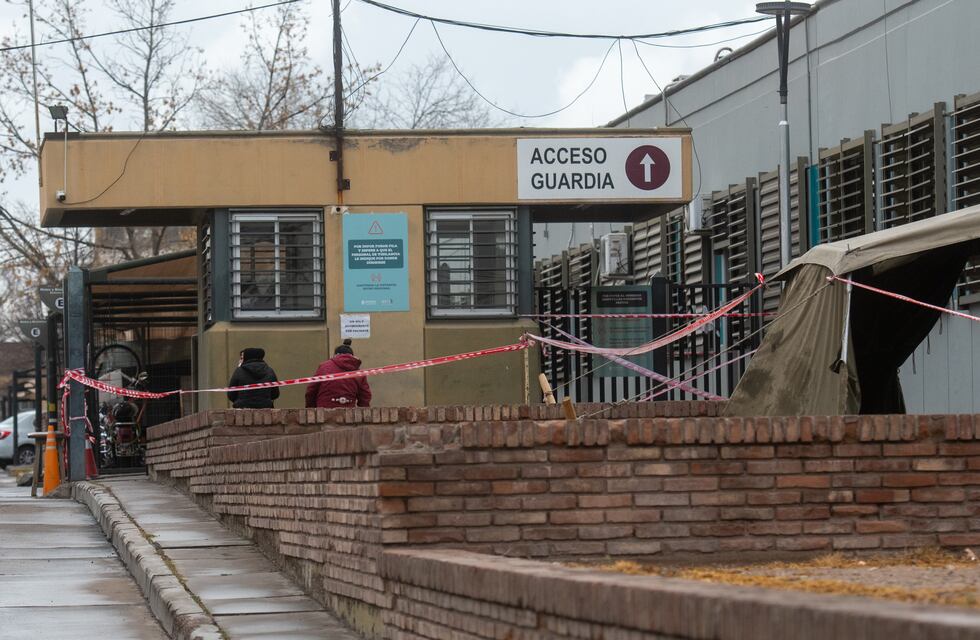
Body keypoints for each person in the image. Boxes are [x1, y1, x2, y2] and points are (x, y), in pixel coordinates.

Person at [305, 339, 372, 408]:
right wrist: (363, 411)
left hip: (324, 410)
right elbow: (365, 396)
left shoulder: (324, 367)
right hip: (349, 411)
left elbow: (311, 390)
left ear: (335, 355)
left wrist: (311, 408)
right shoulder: (359, 373)